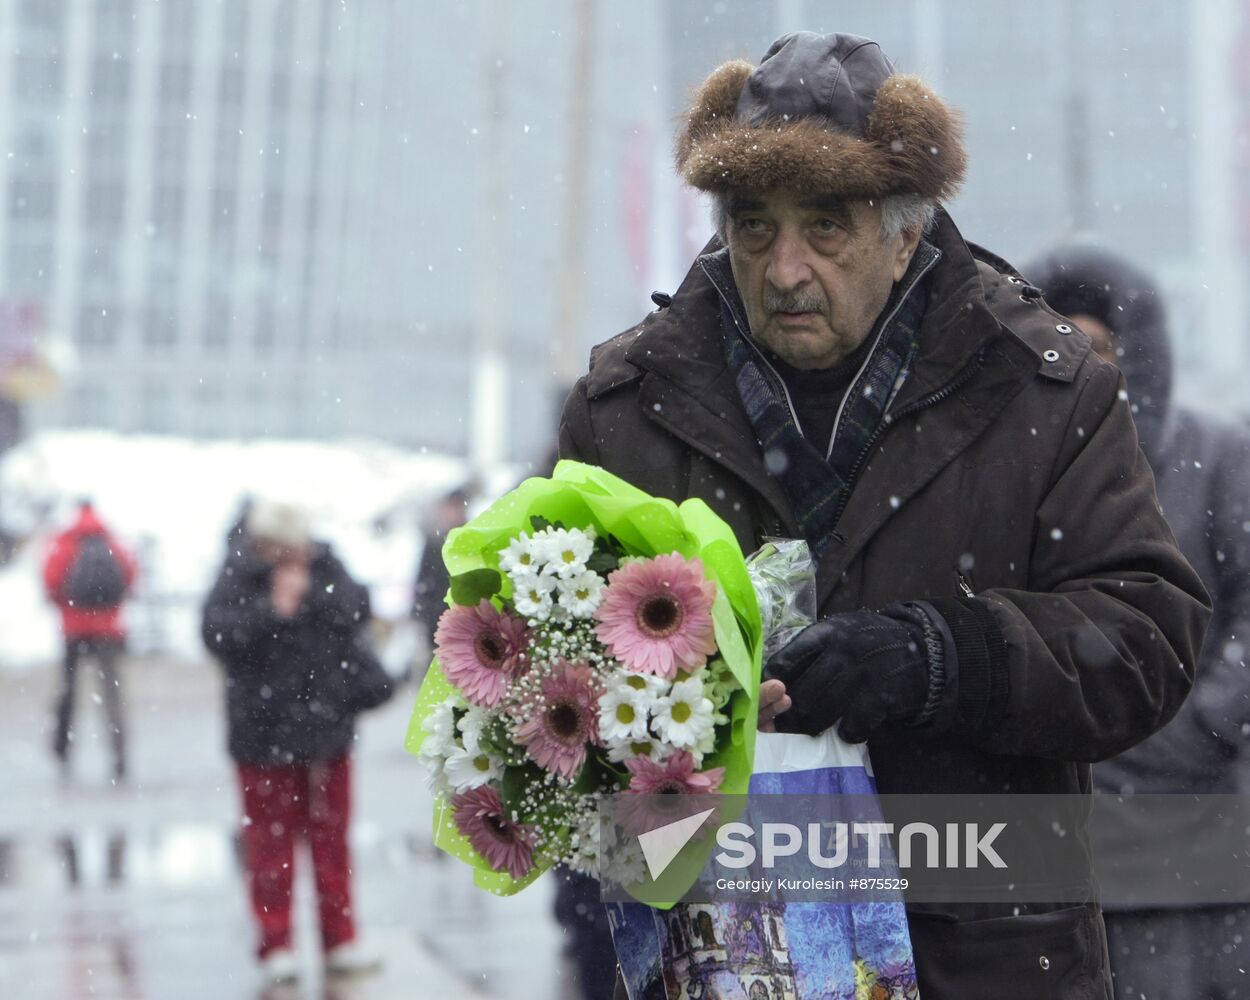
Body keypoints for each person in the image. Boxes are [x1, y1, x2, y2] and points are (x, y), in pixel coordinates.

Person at [559, 31, 1210, 998]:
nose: (783, 269)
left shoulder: (1046, 392)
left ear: (906, 233)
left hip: (983, 947)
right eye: (752, 225)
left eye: (827, 227)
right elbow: (548, 682)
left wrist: (944, 657)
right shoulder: (627, 405)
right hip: (723, 951)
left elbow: (1147, 638)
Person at [1027, 245, 1250, 999]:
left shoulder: (1214, 456)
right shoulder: (1014, 471)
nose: (1081, 363)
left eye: (1097, 345)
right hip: (1058, 831)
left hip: (1196, 829)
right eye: (1061, 341)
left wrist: (1202, 723)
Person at [201, 499, 389, 984]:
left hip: (327, 734)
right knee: (269, 846)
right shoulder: (237, 574)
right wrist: (272, 610)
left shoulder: (327, 565)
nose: (284, 556)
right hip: (261, 739)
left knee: (332, 842)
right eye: (273, 548)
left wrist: (310, 596)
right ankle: (275, 943)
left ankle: (340, 938)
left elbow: (357, 609)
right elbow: (216, 634)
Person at [43, 499, 136, 783]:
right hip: (108, 628)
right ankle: (119, 753)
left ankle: (63, 751)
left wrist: (66, 606)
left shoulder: (67, 539)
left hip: (73, 629)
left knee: (68, 692)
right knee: (111, 693)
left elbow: (51, 577)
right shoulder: (109, 538)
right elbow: (130, 574)